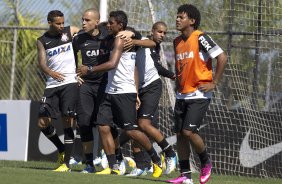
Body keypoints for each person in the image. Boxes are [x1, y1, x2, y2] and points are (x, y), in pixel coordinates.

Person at [77, 10, 163, 178]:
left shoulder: (121, 39)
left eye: (111, 23)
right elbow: (97, 27)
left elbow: (112, 63)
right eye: (108, 22)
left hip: (124, 91)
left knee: (130, 131)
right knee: (103, 126)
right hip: (110, 90)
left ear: (120, 25)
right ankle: (114, 166)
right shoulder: (110, 36)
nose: (108, 25)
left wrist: (89, 69)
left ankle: (156, 159)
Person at [166, 4, 227, 184]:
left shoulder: (200, 37)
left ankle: (206, 162)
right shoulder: (176, 41)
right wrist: (178, 82)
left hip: (199, 94)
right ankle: (185, 176)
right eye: (177, 16)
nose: (177, 19)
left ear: (192, 21)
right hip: (182, 94)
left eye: (181, 17)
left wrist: (214, 83)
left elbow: (222, 57)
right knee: (179, 134)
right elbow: (181, 66)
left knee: (189, 131)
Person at [73, 8, 134, 173]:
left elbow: (135, 35)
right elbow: (69, 56)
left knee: (107, 125)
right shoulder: (79, 38)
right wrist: (74, 74)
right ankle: (89, 164)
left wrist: (130, 33)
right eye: (82, 19)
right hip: (85, 85)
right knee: (84, 122)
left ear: (96, 21)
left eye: (87, 20)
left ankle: (116, 160)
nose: (83, 22)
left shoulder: (108, 35)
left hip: (104, 84)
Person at [118, 21, 177, 177]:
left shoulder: (143, 40)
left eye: (164, 33)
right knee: (134, 128)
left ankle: (170, 153)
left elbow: (149, 45)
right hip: (137, 89)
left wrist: (171, 74)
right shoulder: (121, 46)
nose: (162, 35)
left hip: (152, 86)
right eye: (160, 32)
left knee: (143, 124)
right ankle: (142, 165)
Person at [37, 10, 80, 172]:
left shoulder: (70, 31)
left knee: (68, 121)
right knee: (42, 122)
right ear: (50, 23)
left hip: (69, 83)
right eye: (58, 23)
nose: (62, 26)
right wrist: (50, 72)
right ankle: (62, 149)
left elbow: (90, 32)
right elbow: (42, 63)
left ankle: (66, 164)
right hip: (52, 85)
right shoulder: (42, 40)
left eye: (63, 22)